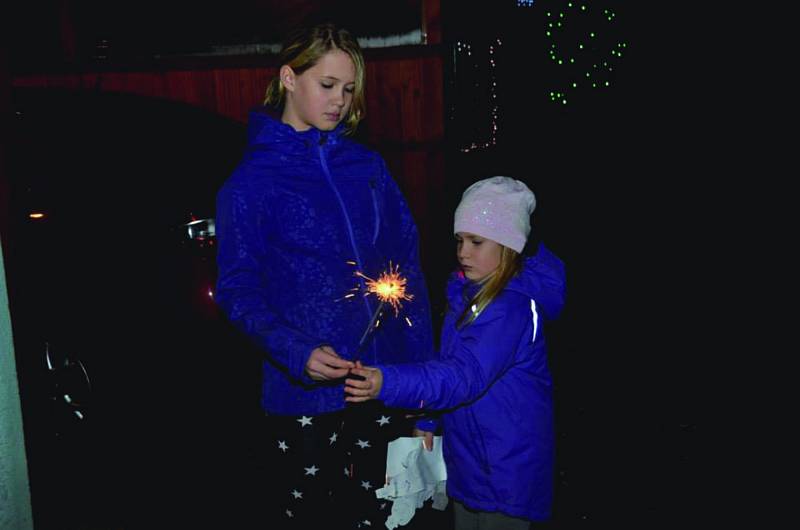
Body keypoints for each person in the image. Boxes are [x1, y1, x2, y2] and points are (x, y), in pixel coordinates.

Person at [214, 22, 435, 528]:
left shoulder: (370, 168)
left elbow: (410, 280)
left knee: (391, 520)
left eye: (349, 89)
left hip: (383, 386)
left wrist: (423, 393)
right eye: (327, 85)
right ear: (289, 78)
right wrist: (296, 352)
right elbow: (236, 291)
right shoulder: (250, 184)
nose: (339, 101)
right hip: (304, 400)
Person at [345, 176, 567, 528]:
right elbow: (446, 362)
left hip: (506, 467)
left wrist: (388, 382)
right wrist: (429, 419)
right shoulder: (466, 295)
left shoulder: (509, 309)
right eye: (460, 240)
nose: (463, 251)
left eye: (476, 241)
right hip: (470, 460)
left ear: (510, 246)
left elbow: (464, 375)